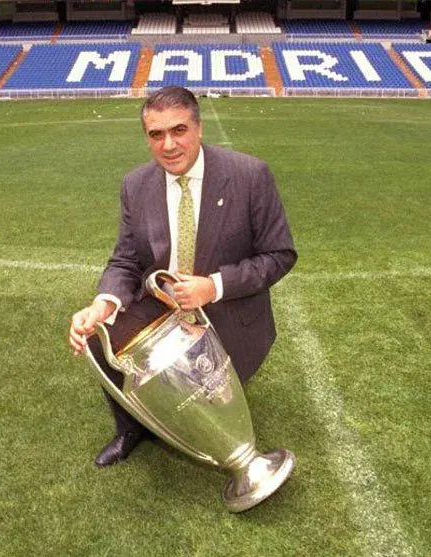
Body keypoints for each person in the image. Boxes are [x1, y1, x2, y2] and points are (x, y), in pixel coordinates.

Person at [68, 86, 296, 467]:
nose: (169, 145)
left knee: (203, 399)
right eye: (156, 135)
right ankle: (130, 429)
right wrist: (102, 304)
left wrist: (214, 286)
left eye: (179, 130)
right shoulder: (136, 185)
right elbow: (125, 259)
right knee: (98, 337)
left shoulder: (249, 175)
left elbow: (280, 255)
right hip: (162, 307)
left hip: (226, 312)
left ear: (199, 129)